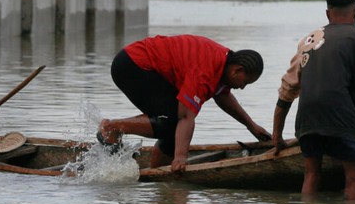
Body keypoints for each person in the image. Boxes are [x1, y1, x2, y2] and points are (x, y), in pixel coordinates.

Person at [98, 34, 271, 173]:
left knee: (175, 130)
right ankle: (113, 127)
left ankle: (158, 173)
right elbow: (185, 116)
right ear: (237, 70)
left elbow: (223, 97)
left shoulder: (223, 65)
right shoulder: (205, 70)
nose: (242, 87)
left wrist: (251, 126)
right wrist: (181, 157)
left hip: (145, 67)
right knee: (173, 123)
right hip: (133, 64)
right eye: (245, 82)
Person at [271, 0, 355, 200]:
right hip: (341, 115)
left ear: (328, 14)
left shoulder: (308, 40)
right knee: (354, 177)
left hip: (306, 119)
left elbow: (288, 89)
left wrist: (277, 136)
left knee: (311, 174)